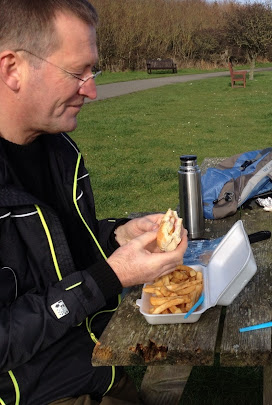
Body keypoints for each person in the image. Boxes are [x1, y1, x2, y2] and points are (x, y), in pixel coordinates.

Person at [0, 1, 188, 404]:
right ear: (12, 69)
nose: (92, 89)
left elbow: (54, 254)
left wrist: (117, 235)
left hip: (99, 365)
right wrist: (110, 277)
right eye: (77, 72)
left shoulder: (57, 150)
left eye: (93, 71)